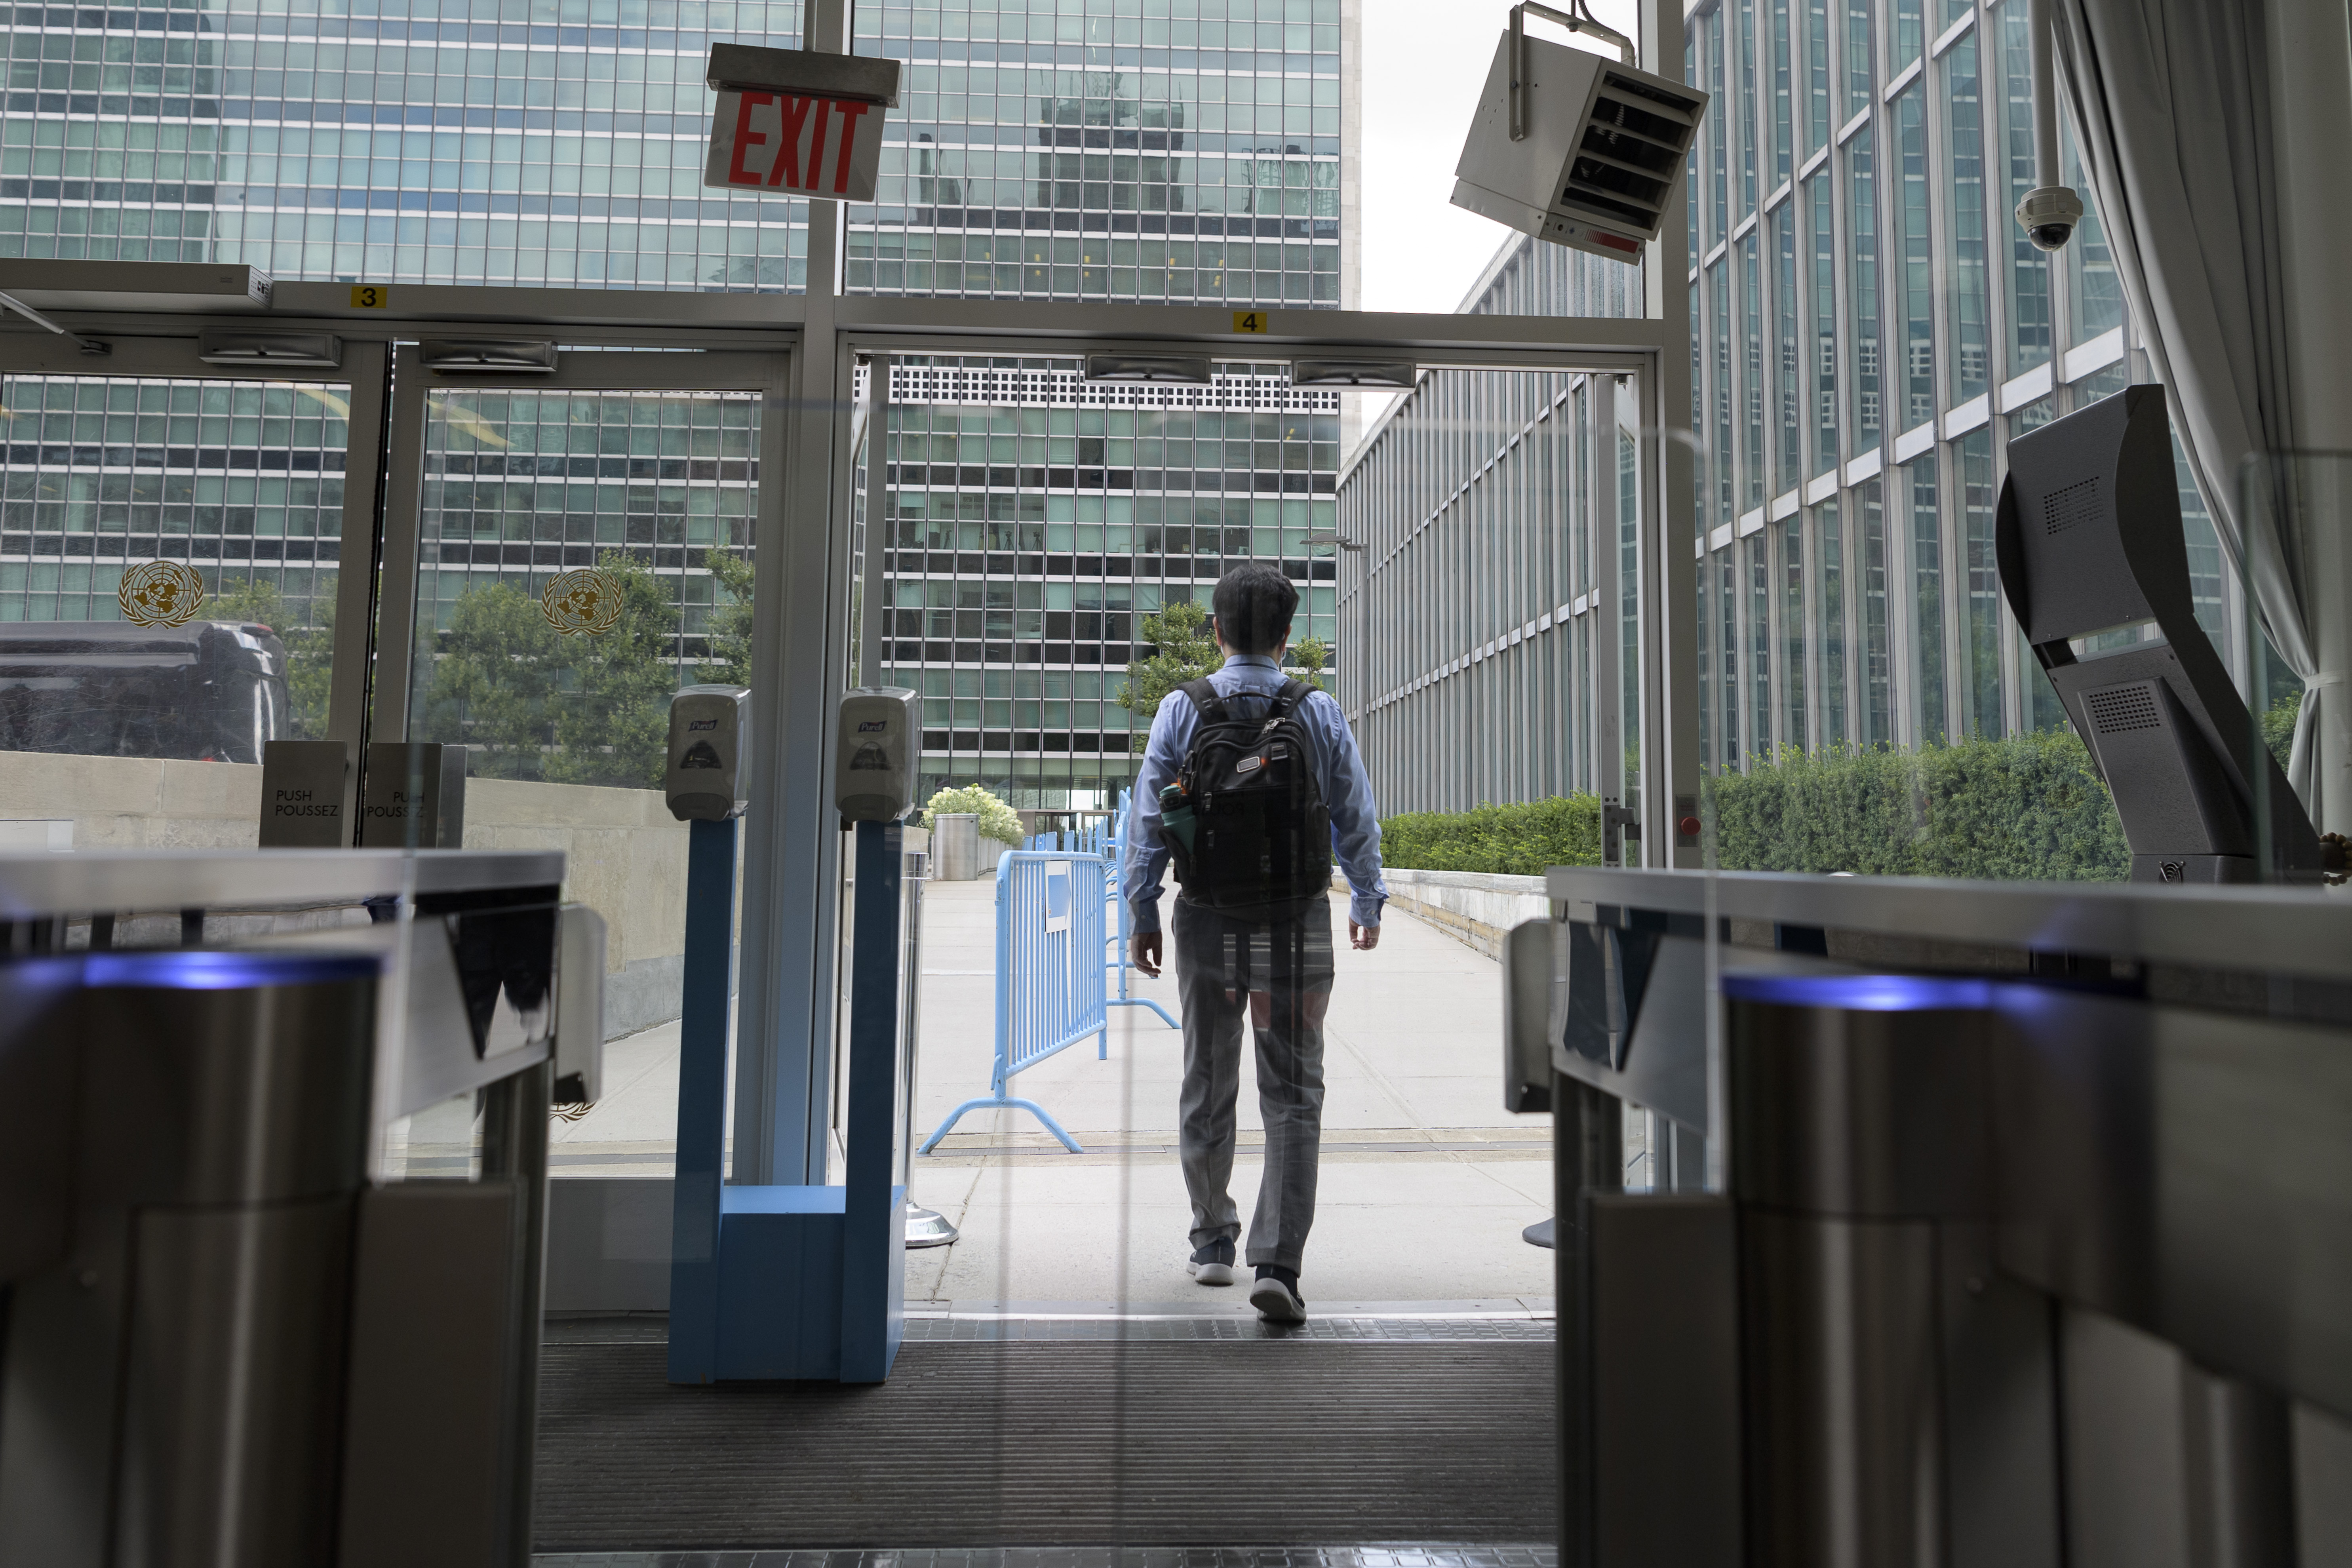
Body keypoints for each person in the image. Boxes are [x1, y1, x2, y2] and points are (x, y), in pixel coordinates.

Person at [1122, 561, 1386, 1323]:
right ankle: (1280, 1263)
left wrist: (1142, 910)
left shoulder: (1182, 708)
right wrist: (1366, 895)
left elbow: (1147, 823)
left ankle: (1212, 1242)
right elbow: (1353, 816)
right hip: (1292, 922)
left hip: (1206, 919)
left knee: (1209, 1080)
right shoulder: (1318, 711)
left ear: (1215, 630)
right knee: (1294, 1090)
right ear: (1286, 635)